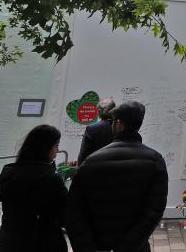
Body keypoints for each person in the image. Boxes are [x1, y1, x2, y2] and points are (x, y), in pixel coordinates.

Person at [66, 101, 168, 252]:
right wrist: (128, 246)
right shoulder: (155, 161)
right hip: (136, 247)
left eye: (112, 121)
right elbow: (154, 211)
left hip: (99, 244)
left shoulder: (91, 161)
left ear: (119, 124)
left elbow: (74, 211)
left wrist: (87, 247)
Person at [0, 124, 67, 252]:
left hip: (8, 243)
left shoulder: (8, 173)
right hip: (42, 243)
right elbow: (65, 215)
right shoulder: (51, 179)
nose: (57, 151)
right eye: (56, 146)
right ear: (46, 148)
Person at [76, 97, 116, 164]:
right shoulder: (120, 126)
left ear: (99, 111)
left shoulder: (91, 128)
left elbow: (83, 155)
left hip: (96, 168)